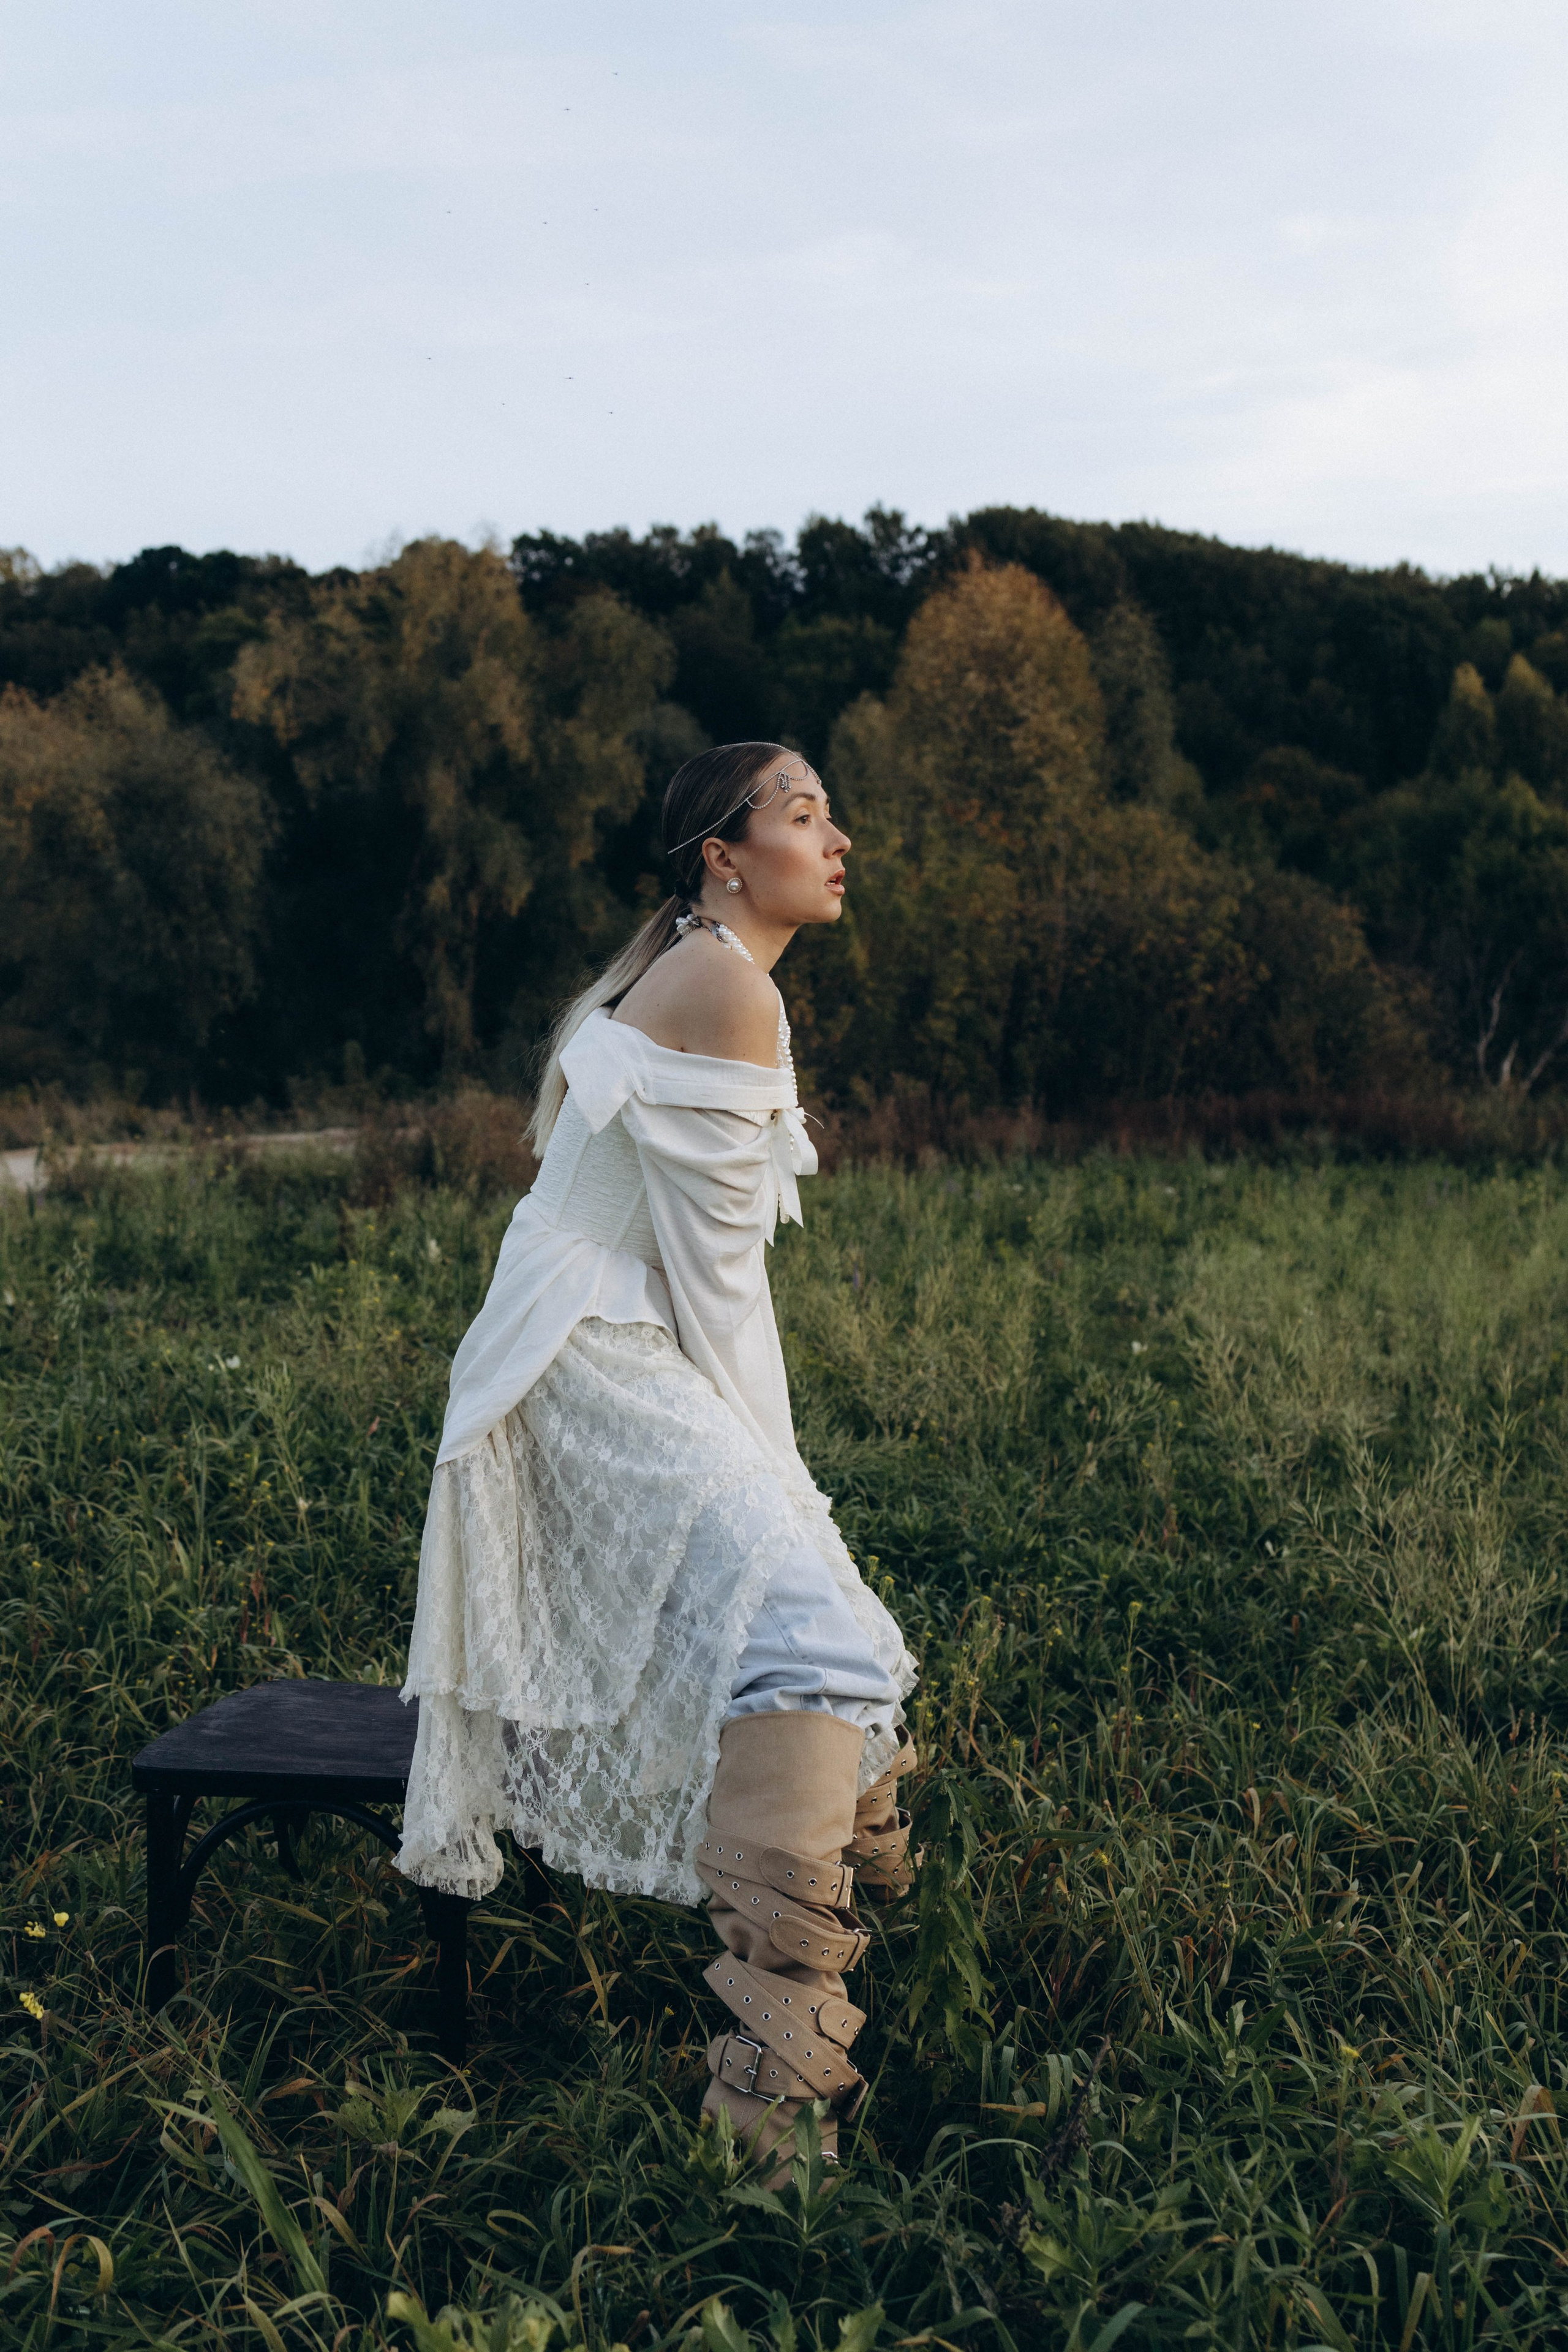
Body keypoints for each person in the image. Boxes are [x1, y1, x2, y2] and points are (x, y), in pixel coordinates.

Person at [396, 741, 919, 2173]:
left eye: (829, 810)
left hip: (587, 1340)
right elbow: (716, 1284)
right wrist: (787, 1489)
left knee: (814, 1630)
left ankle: (824, 1989)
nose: (837, 837)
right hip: (587, 1355)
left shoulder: (703, 973)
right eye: (804, 813)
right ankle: (767, 2109)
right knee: (813, 1624)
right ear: (721, 854)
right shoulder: (725, 985)